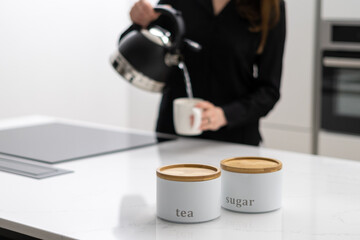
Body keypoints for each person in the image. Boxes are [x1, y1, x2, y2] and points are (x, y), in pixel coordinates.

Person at [126, 0, 286, 146]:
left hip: (235, 143)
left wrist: (223, 115)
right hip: (172, 138)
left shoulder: (270, 6)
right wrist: (141, 22)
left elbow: (269, 91)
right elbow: (134, 46)